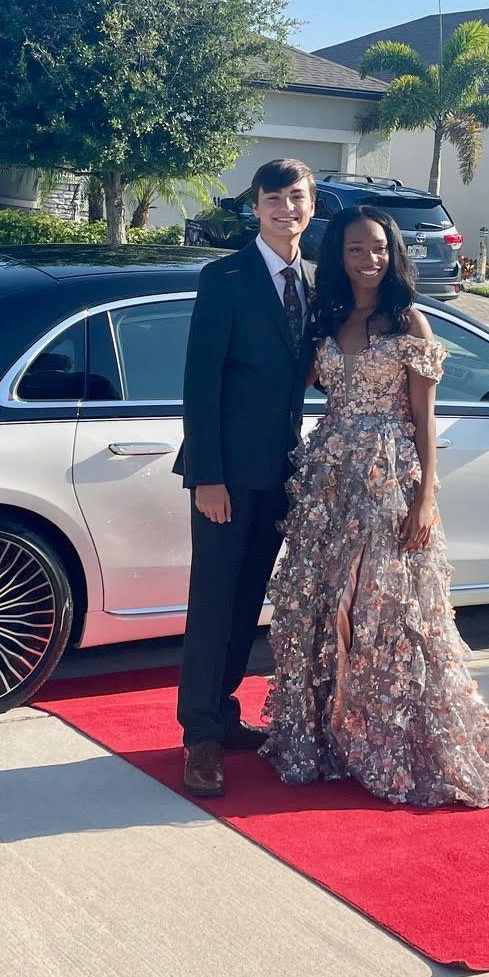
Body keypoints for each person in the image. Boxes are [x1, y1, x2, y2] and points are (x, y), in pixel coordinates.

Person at [260, 204, 489, 806]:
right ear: (338, 256)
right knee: (322, 601)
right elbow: (291, 385)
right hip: (328, 480)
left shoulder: (409, 322)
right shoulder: (327, 318)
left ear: (392, 253)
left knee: (384, 610)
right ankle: (327, 733)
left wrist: (424, 498)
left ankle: (387, 738)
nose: (368, 259)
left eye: (378, 248)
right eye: (355, 249)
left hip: (389, 477)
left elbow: (424, 420)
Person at [175, 158, 316, 798]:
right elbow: (200, 383)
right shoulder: (225, 277)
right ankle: (200, 736)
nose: (286, 208)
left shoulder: (312, 281)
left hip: (280, 471)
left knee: (246, 601)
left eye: (297, 197)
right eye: (273, 198)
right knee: (214, 601)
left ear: (311, 205)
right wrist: (207, 476)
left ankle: (223, 713)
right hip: (226, 476)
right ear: (255, 207)